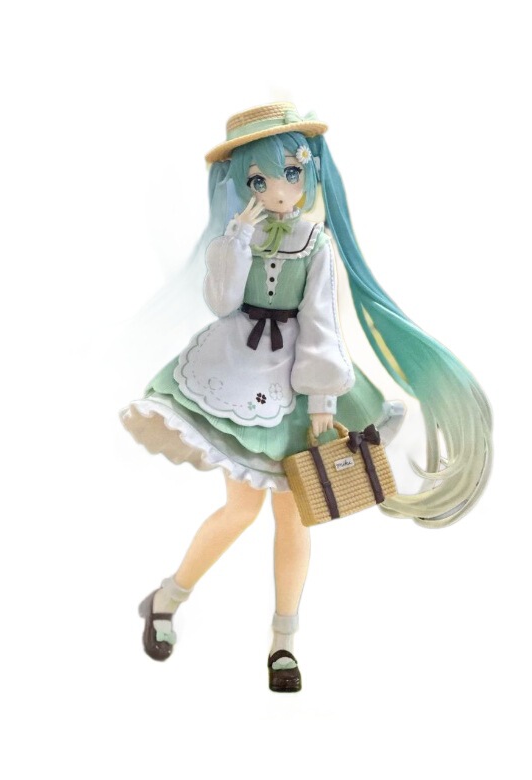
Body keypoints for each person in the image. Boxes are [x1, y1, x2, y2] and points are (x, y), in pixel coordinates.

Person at [121, 102, 492, 692]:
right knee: (240, 510)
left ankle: (284, 641)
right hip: (237, 372)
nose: (277, 190)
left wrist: (322, 407)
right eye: (260, 180)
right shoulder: (236, 236)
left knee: (295, 518)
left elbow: (321, 325)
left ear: (310, 173)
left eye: (290, 174)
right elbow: (220, 302)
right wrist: (237, 237)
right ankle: (167, 597)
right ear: (244, 184)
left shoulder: (315, 242)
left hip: (297, 384)